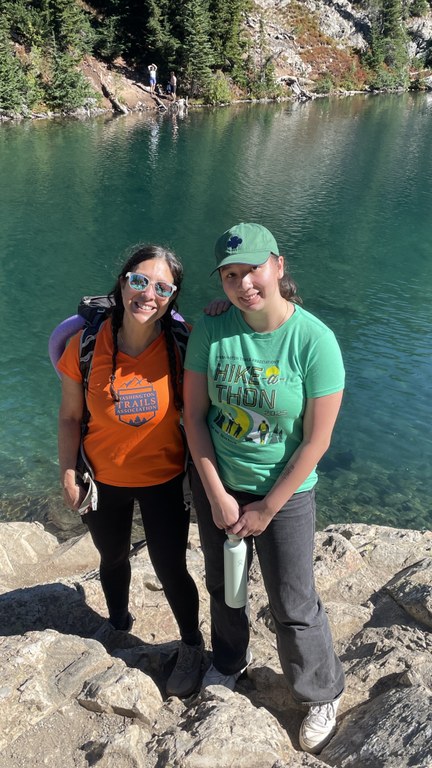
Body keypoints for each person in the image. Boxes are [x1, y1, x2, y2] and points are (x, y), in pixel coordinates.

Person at [183, 223, 345, 754]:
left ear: (277, 265)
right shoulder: (213, 330)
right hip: (221, 484)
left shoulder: (314, 340)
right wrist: (217, 494)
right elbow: (195, 417)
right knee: (224, 587)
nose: (241, 283)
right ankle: (230, 661)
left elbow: (317, 441)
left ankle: (320, 692)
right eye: (230, 275)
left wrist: (269, 507)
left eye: (250, 269)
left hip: (287, 493)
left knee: (293, 600)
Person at [57, 244, 203, 698]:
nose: (148, 294)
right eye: (139, 280)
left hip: (163, 480)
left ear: (172, 296)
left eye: (162, 287)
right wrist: (67, 471)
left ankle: (193, 646)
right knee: (112, 556)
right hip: (103, 480)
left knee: (170, 566)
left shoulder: (184, 346)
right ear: (122, 282)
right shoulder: (83, 346)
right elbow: (68, 416)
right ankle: (119, 625)